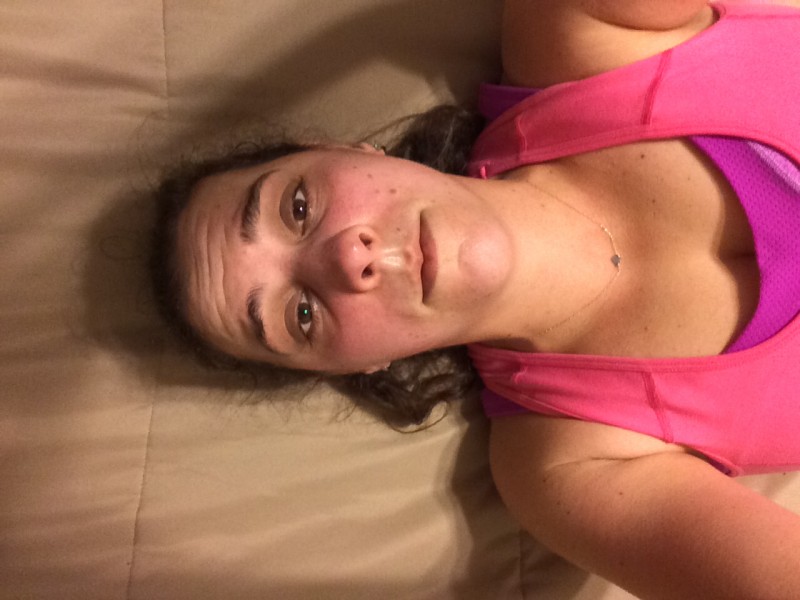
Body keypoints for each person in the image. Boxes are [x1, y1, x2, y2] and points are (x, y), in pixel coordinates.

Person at [151, 1, 800, 598]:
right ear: (358, 366)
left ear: (344, 152)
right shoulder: (568, 467)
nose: (348, 258)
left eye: (297, 206)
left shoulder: (573, 31)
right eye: (300, 315)